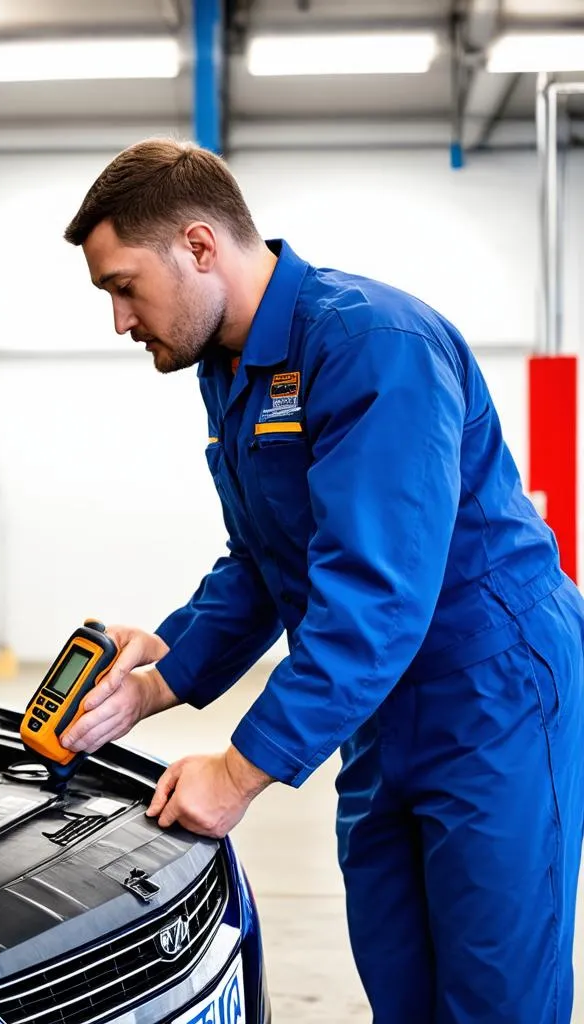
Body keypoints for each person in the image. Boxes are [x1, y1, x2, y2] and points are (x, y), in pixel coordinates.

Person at [58, 138, 584, 1024]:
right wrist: (155, 680)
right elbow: (266, 562)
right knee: (399, 970)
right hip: (378, 703)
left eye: (122, 286)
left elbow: (377, 594)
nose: (119, 321)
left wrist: (238, 770)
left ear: (197, 246)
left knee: (494, 992)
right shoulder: (231, 370)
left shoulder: (374, 345)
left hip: (490, 688)